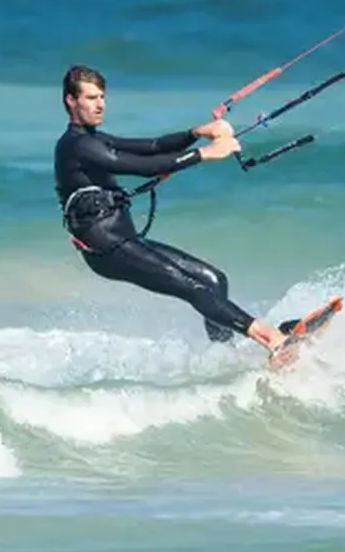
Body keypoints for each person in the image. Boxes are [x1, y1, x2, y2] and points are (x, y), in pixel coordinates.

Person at [53, 64, 300, 362]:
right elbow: (140, 167)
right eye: (91, 98)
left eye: (102, 97)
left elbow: (152, 147)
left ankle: (224, 355)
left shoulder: (96, 138)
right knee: (196, 289)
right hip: (107, 248)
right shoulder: (75, 145)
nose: (100, 104)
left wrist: (197, 133)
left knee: (214, 281)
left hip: (124, 240)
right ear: (71, 100)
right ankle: (273, 339)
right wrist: (204, 153)